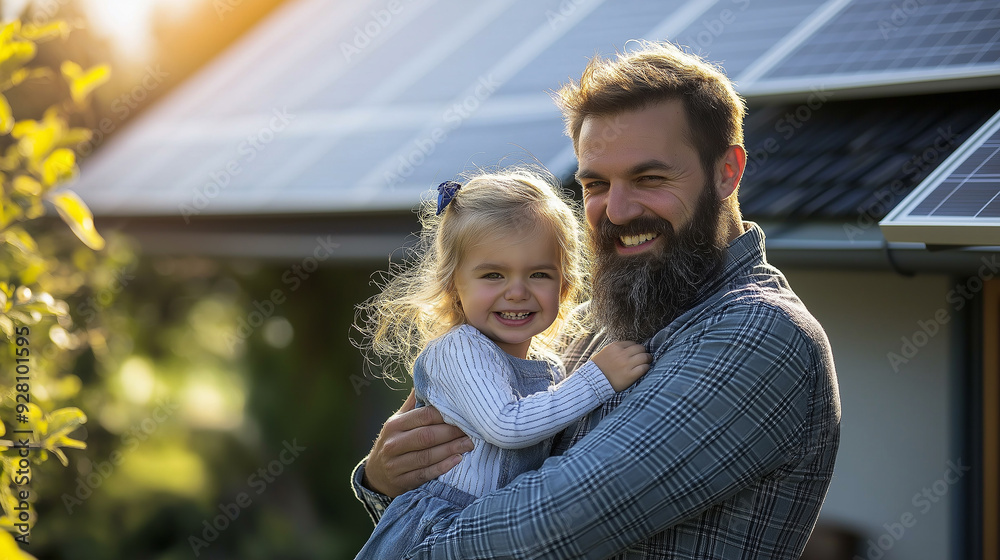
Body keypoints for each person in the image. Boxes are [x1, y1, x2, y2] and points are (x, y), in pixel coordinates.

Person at [352, 40, 841, 559]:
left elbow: (537, 530)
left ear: (727, 171)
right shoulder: (594, 323)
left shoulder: (757, 336)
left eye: (650, 178)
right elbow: (475, 475)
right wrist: (383, 478)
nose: (619, 209)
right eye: (596, 184)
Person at [353, 170, 652, 559]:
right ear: (453, 286)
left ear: (563, 287)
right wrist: (598, 379)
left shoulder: (548, 366)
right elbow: (507, 425)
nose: (516, 291)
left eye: (539, 274)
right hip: (437, 528)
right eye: (493, 274)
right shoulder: (458, 350)